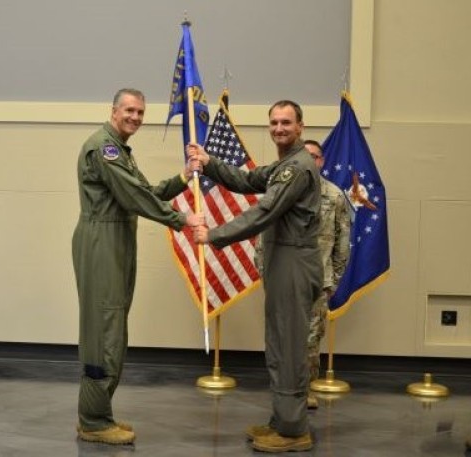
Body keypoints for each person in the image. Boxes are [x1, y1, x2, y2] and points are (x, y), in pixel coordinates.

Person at [189, 100, 322, 453]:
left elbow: (265, 211)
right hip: (283, 260)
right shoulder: (284, 165)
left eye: (286, 122)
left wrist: (214, 235)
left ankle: (294, 430)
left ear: (301, 127)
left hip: (294, 261)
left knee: (290, 346)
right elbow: (248, 180)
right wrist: (210, 163)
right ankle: (282, 418)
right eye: (274, 122)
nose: (279, 128)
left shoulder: (297, 168)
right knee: (280, 341)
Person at [72, 88, 202, 445]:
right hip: (102, 241)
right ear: (113, 111)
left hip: (116, 241)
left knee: (113, 324)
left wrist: (182, 176)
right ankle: (93, 420)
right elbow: (135, 196)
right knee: (104, 327)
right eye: (129, 110)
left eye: (141, 112)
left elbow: (142, 189)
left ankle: (100, 411)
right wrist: (182, 219)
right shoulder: (105, 147)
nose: (135, 117)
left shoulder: (120, 149)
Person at [303, 139, 351, 409]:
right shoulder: (284, 191)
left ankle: (306, 390)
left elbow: (343, 242)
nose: (310, 160)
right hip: (286, 283)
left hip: (318, 283)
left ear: (321, 161)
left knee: (311, 342)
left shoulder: (334, 196)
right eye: (305, 155)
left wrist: (333, 281)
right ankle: (285, 391)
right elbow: (264, 239)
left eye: (315, 156)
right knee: (283, 341)